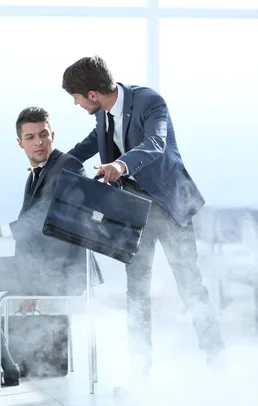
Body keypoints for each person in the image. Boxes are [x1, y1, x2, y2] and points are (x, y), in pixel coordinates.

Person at [61, 56, 224, 390]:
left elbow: (155, 145)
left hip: (170, 205)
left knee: (190, 286)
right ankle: (140, 374)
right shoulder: (104, 115)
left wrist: (120, 166)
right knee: (136, 293)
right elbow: (89, 146)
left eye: (76, 97)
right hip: (135, 212)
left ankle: (219, 361)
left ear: (92, 93)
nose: (75, 104)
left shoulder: (149, 101)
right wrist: (55, 164)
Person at [0, 106, 102, 387]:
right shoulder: (37, 173)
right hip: (43, 267)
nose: (38, 142)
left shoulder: (68, 166)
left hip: (64, 271)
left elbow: (44, 218)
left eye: (43, 135)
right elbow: (32, 236)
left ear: (52, 135)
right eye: (30, 137)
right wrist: (25, 282)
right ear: (20, 143)